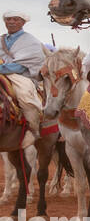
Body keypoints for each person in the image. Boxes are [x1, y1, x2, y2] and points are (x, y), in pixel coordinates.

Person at [0, 10, 46, 144]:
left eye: (16, 19)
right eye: (8, 19)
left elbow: (20, 66)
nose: (12, 22)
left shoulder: (31, 42)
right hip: (2, 73)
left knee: (25, 96)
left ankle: (34, 128)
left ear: (23, 22)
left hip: (20, 76)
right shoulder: (1, 39)